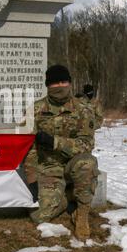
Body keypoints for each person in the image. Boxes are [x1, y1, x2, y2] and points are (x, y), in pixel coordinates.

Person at [24, 65, 99, 240]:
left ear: (70, 83)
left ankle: (81, 214)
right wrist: (32, 178)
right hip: (48, 167)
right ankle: (68, 194)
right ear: (47, 85)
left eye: (64, 82)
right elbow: (28, 147)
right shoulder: (34, 110)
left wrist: (55, 142)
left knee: (88, 162)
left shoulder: (83, 108)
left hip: (74, 163)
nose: (60, 86)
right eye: (55, 83)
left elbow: (87, 144)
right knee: (39, 216)